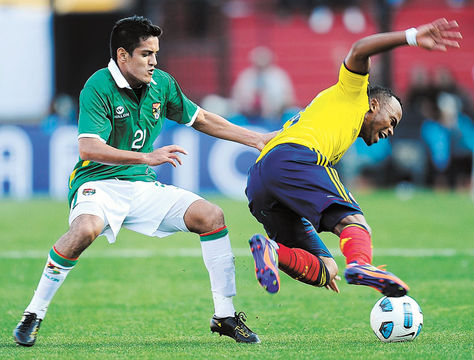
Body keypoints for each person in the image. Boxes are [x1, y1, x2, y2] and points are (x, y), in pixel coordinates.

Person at [13, 15, 275, 347]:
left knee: (212, 217)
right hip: (98, 184)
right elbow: (89, 148)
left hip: (141, 186)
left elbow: (202, 118)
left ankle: (224, 315)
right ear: (123, 56)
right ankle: (34, 312)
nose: (153, 62)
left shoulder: (161, 83)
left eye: (155, 54)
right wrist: (146, 157)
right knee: (85, 229)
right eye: (145, 54)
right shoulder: (98, 86)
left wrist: (254, 139)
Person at [245, 19, 461, 297]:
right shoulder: (354, 93)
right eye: (391, 119)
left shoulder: (333, 119)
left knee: (325, 270)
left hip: (260, 178)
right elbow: (359, 49)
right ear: (373, 104)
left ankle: (271, 251)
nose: (391, 130)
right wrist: (410, 36)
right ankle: (361, 264)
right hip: (294, 158)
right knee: (355, 222)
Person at [231, 46, 295, 127]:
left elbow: (288, 98)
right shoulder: (246, 76)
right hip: (249, 117)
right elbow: (237, 97)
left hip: (275, 117)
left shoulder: (278, 75)